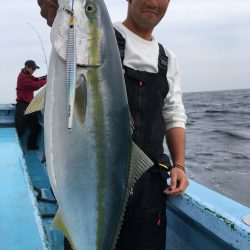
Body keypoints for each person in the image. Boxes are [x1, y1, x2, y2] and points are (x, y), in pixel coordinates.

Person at [38, 0, 189, 249]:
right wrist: (56, 10)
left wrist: (180, 165)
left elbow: (173, 113)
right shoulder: (104, 37)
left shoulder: (167, 58)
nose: (153, 2)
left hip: (149, 186)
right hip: (90, 185)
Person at [15, 60, 47, 150]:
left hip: (30, 105)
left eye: (35, 69)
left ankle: (31, 147)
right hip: (22, 106)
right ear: (27, 67)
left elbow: (36, 79)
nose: (34, 70)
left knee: (35, 127)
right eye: (33, 68)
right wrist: (46, 80)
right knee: (20, 129)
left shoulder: (28, 75)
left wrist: (45, 77)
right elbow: (35, 85)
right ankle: (15, 147)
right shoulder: (22, 77)